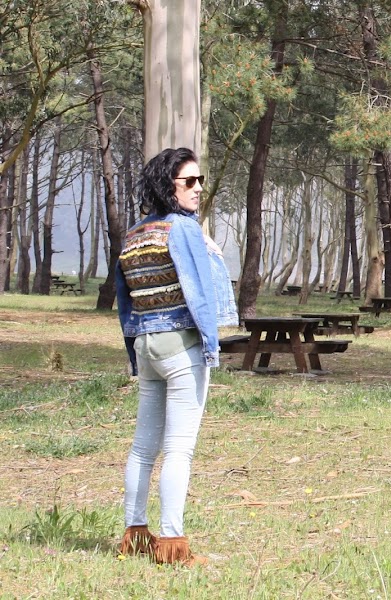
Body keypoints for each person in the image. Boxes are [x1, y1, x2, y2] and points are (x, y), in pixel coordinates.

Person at [115, 147, 236, 566]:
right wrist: (210, 345)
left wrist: (133, 348)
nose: (199, 188)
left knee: (142, 449)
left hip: (148, 345)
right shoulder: (183, 229)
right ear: (169, 186)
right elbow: (199, 293)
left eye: (200, 180)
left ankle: (134, 534)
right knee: (178, 450)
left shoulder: (135, 234)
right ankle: (172, 543)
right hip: (181, 346)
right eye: (190, 181)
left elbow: (125, 300)